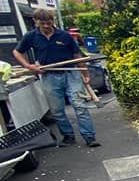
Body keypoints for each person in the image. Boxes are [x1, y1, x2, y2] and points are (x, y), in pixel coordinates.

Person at [13, 9, 100, 147]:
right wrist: (29, 66)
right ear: (36, 22)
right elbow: (17, 52)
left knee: (80, 106)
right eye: (43, 24)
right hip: (49, 75)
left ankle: (89, 137)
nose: (47, 26)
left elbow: (77, 55)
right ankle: (68, 136)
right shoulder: (31, 36)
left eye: (49, 23)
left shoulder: (64, 36)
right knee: (57, 110)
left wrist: (85, 73)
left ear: (53, 21)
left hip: (71, 73)